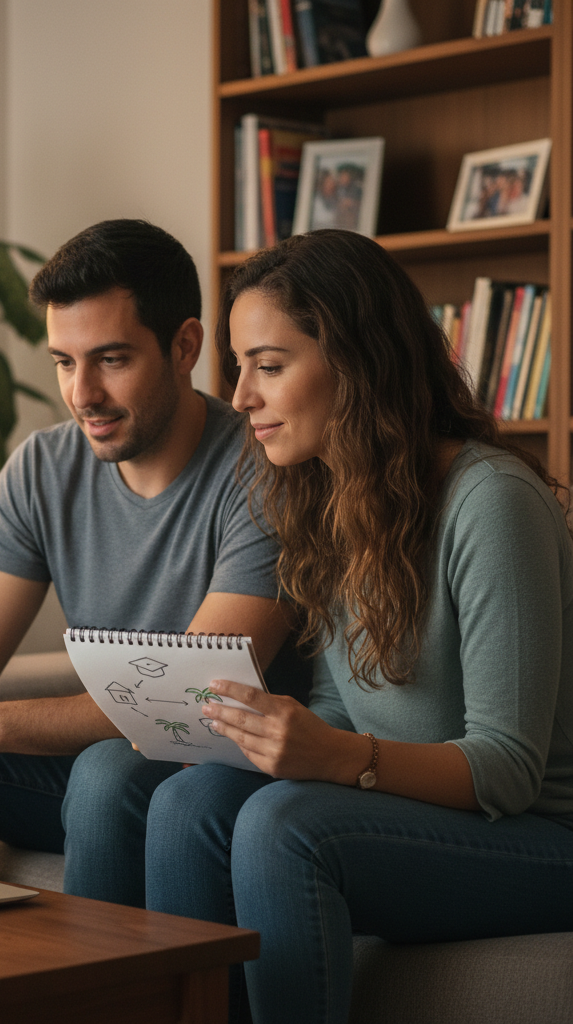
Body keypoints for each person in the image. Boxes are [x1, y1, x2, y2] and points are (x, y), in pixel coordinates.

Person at [82, 228, 573, 1023]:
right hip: (419, 817)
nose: (240, 396)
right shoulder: (329, 499)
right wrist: (252, 733)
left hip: (537, 837)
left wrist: (332, 756)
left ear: (358, 363)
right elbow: (346, 707)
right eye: (240, 367)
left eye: (269, 367)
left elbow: (508, 769)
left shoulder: (493, 502)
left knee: (285, 825)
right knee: (187, 802)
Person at [0, 219, 301, 890]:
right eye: (65, 363)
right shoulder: (41, 469)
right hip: (111, 763)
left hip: (215, 772)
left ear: (184, 346)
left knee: (105, 774)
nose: (82, 394)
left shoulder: (262, 469)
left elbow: (187, 698)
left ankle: (88, 997)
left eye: (112, 359)